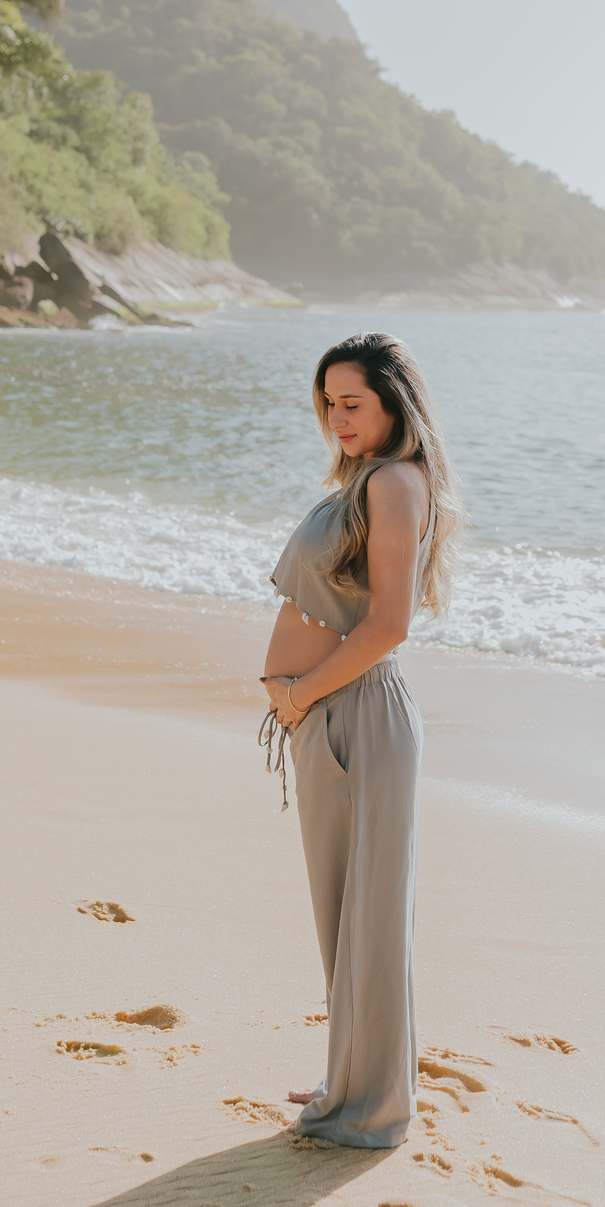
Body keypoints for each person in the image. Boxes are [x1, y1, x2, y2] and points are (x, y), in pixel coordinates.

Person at [262, 331, 462, 1148]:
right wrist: (300, 701)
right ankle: (350, 1078)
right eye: (328, 404)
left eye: (352, 403)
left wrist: (301, 693)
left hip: (355, 714)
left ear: (393, 405)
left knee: (368, 918)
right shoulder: (366, 480)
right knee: (343, 913)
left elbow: (388, 625)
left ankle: (371, 1108)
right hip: (331, 714)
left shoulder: (394, 482)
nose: (337, 418)